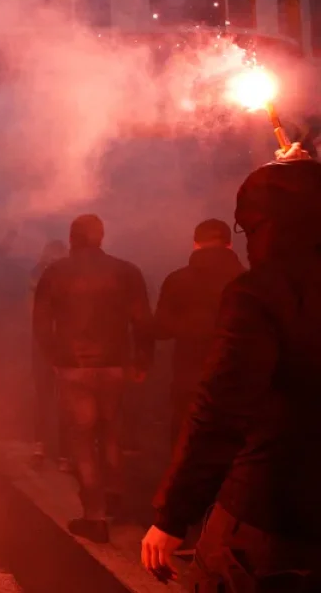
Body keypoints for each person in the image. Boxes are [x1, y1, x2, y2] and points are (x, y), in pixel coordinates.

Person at [142, 155, 321, 590]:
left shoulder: (264, 290)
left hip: (272, 514)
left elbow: (221, 414)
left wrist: (172, 517)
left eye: (251, 228)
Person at [33, 214, 152, 544]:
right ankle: (116, 496)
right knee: (111, 429)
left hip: (73, 366)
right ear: (100, 237)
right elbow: (143, 320)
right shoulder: (126, 272)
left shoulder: (55, 273)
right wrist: (142, 360)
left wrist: (54, 358)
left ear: (72, 239)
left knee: (82, 438)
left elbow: (42, 324)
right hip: (115, 364)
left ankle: (95, 516)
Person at [153, 219, 245, 451]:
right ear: (230, 245)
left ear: (195, 244)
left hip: (189, 377)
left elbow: (161, 329)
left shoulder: (177, 280)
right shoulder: (248, 280)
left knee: (185, 441)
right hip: (237, 376)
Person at [30, 240, 69, 472]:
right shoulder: (38, 275)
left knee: (63, 400)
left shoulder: (69, 277)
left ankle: (61, 451)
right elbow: (32, 309)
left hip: (60, 345)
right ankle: (42, 447)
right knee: (44, 397)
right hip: (45, 345)